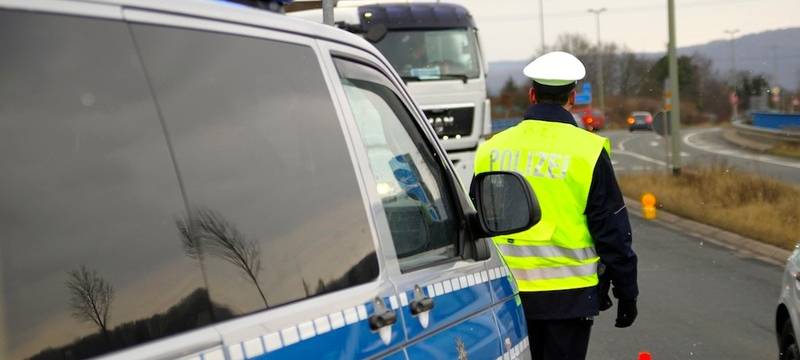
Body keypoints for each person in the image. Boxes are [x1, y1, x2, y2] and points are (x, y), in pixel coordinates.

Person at [473, 51, 639, 360]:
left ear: (532, 94)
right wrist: (626, 290)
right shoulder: (587, 151)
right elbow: (611, 228)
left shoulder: (492, 149)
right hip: (569, 299)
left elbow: (476, 219)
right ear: (572, 97)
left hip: (504, 293)